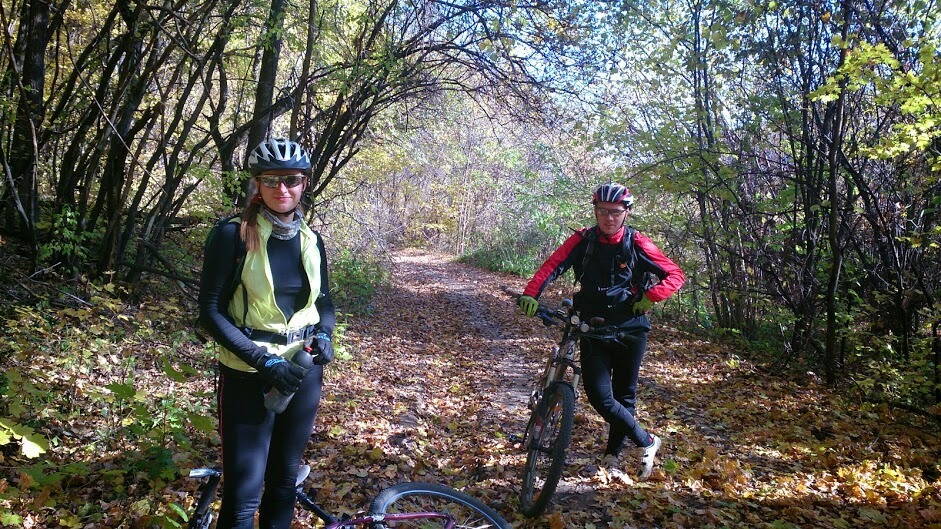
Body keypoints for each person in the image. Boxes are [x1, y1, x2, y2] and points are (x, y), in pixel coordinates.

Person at [198, 138, 336, 529]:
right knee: (243, 496)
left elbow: (324, 302)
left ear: (304, 183)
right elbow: (210, 312)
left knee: (283, 485)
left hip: (302, 372)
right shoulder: (233, 235)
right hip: (247, 373)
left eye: (291, 179)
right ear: (257, 184)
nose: (282, 189)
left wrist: (325, 335)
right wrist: (264, 361)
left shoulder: (312, 240)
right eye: (271, 180)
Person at [517, 183, 684, 480]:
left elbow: (675, 275)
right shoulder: (583, 240)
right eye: (603, 211)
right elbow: (552, 266)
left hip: (631, 329)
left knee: (625, 396)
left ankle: (612, 456)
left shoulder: (637, 243)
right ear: (595, 211)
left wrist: (652, 296)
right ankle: (646, 440)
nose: (609, 218)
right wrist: (531, 294)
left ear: (626, 212)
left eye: (615, 212)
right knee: (600, 397)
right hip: (592, 327)